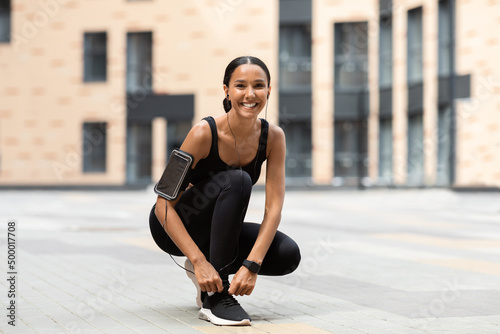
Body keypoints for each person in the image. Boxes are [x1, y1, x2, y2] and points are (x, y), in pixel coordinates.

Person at [149, 56, 301, 326]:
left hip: (218, 232)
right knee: (238, 179)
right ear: (227, 90)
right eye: (241, 86)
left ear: (269, 90)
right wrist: (198, 261)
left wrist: (252, 265)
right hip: (174, 226)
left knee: (287, 254)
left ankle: (211, 273)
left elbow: (273, 208)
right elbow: (163, 204)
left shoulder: (273, 137)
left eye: (258, 86)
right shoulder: (202, 133)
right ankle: (215, 297)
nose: (250, 94)